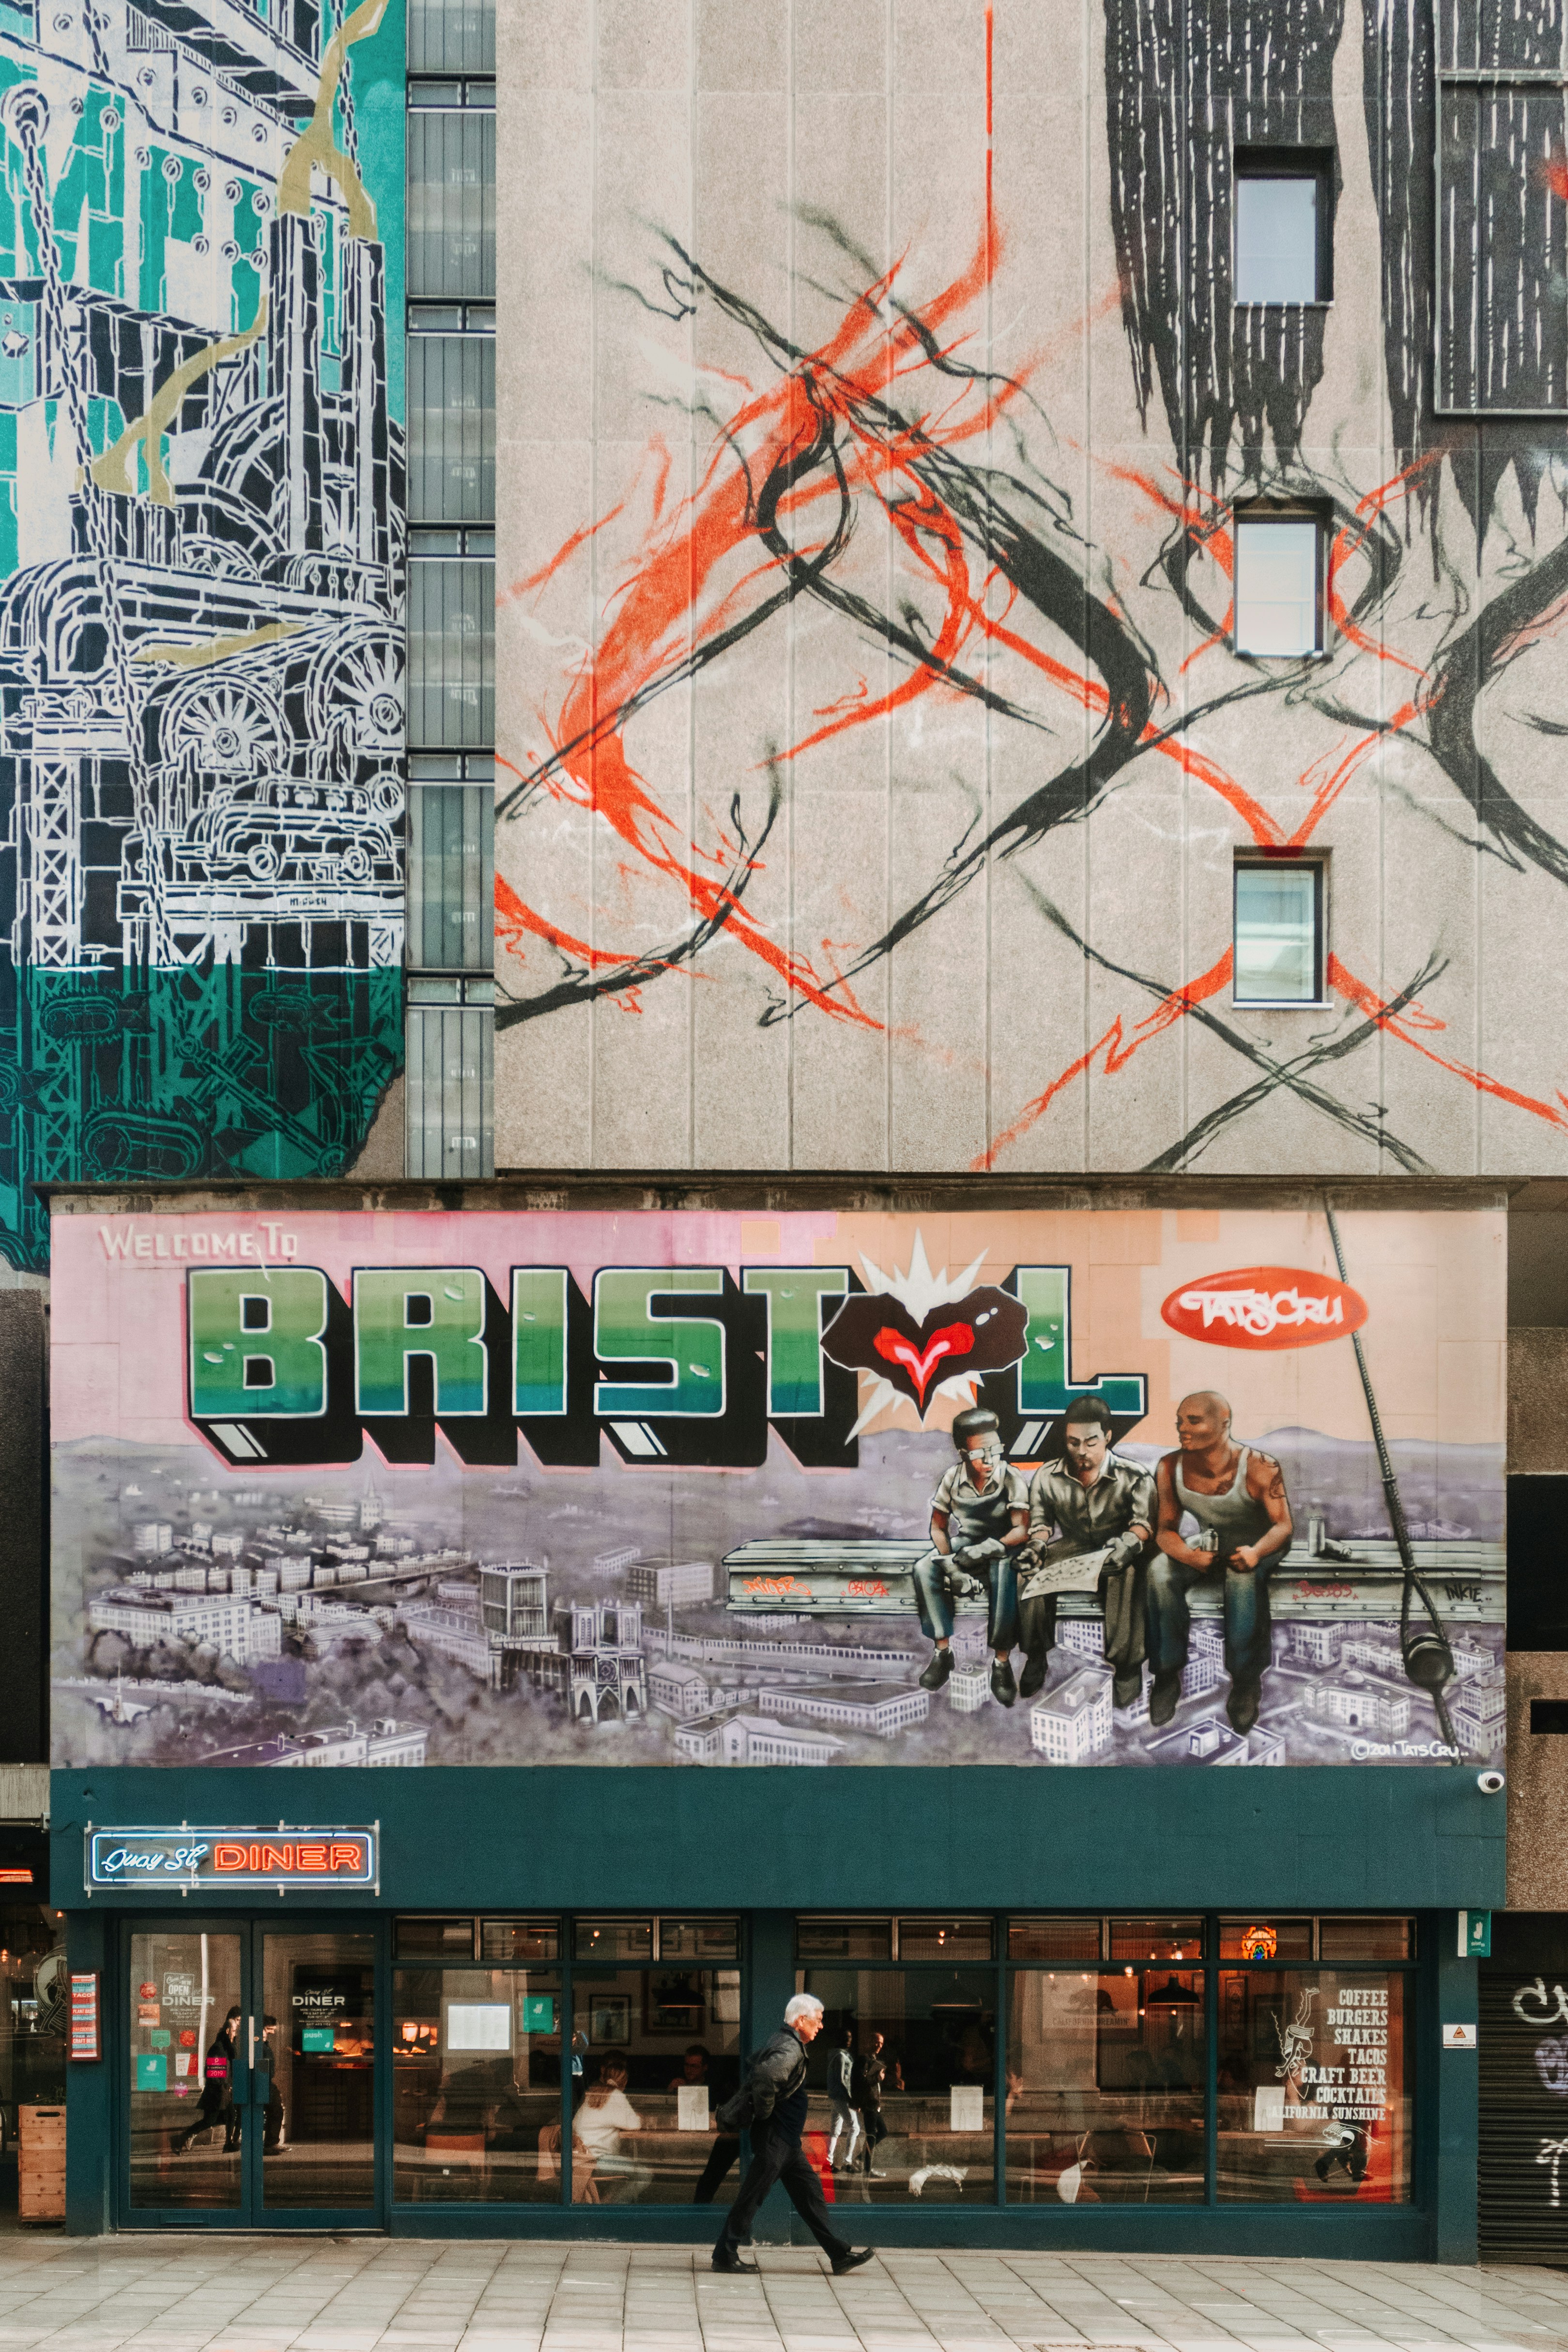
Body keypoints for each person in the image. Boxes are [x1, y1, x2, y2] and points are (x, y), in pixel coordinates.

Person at [1149, 1391, 1293, 1733]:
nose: (1182, 1429)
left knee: (1241, 1578)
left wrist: (1256, 1553)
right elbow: (1165, 1531)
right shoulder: (1170, 1466)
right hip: (1212, 1540)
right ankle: (1167, 1673)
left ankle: (1245, 1681)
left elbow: (1283, 1526)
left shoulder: (1260, 1466)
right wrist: (1189, 1555)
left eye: (1194, 1421)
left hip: (1260, 1543)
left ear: (1224, 1423)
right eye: (1180, 1421)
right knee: (1158, 1572)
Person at [711, 1994, 874, 2276]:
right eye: (818, 2020)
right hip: (777, 2138)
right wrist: (765, 2114)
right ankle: (725, 2255)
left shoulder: (785, 2041)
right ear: (801, 2020)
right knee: (752, 2197)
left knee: (810, 2196)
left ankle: (839, 2255)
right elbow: (765, 2078)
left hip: (786, 2141)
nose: (821, 2026)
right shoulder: (790, 2047)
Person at [1022, 1396, 1157, 1705]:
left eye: (1091, 1442)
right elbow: (1041, 1522)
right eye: (1073, 1443)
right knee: (1030, 1573)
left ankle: (1126, 1666)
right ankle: (1036, 1654)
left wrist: (1127, 1544)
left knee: (1128, 1573)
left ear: (1107, 1438)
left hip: (1119, 1544)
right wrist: (1037, 1545)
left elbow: (1143, 1524)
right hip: (1076, 1544)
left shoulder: (1134, 1475)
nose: (1081, 1451)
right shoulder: (1047, 1476)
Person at [915, 1406, 1030, 1705]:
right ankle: (943, 1652)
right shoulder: (952, 1479)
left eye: (996, 1450)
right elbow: (938, 1528)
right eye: (981, 1453)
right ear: (964, 1453)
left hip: (1002, 1547)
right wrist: (951, 1566)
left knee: (1006, 1572)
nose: (991, 1460)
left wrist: (984, 1550)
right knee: (925, 1568)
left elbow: (1021, 1530)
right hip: (966, 1543)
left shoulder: (1011, 1477)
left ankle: (1001, 1662)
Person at [575, 2052, 652, 2200]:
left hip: (580, 2158)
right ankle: (613, 2208)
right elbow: (634, 2125)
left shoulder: (593, 2094)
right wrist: (639, 2118)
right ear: (625, 2082)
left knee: (625, 2175)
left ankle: (608, 2202)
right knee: (643, 2174)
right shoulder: (616, 2096)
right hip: (598, 2160)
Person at [173, 2006, 241, 2154]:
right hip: (216, 2093)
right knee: (209, 2121)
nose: (236, 2034)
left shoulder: (228, 2047)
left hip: (224, 2091)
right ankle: (181, 2138)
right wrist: (224, 2086)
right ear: (228, 2031)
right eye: (235, 2031)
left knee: (231, 2116)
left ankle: (228, 2143)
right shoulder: (219, 2048)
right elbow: (213, 2073)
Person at [850, 2029, 888, 2177]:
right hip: (869, 2104)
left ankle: (860, 2160)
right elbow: (861, 2082)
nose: (879, 2045)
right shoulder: (863, 2060)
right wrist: (878, 2078)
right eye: (877, 2042)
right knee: (872, 2135)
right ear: (870, 2042)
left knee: (883, 2132)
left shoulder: (873, 2060)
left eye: (881, 2043)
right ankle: (867, 2170)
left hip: (875, 2103)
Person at [826, 2027, 860, 2172]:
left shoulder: (837, 2055)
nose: (849, 2040)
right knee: (855, 2128)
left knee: (835, 2130)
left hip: (836, 2097)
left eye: (850, 2037)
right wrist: (851, 2099)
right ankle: (848, 2162)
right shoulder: (841, 2057)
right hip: (842, 2097)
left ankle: (828, 2161)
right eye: (846, 2037)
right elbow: (842, 2080)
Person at [260, 2014, 284, 2154]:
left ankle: (271, 2142)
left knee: (275, 2111)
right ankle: (270, 2143)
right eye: (270, 2029)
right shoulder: (259, 2045)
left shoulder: (263, 2044)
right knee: (276, 2111)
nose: (272, 2032)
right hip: (264, 2082)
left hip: (266, 2081)